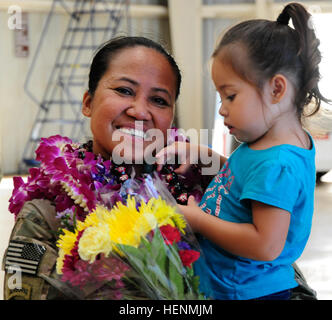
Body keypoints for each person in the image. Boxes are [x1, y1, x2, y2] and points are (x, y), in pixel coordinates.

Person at [2, 36, 205, 300]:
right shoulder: (43, 214)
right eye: (124, 91)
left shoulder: (201, 196)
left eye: (159, 100)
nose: (140, 111)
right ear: (88, 102)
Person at [156, 3, 327, 300]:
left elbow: (265, 244)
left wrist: (197, 221)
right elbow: (245, 181)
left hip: (246, 293)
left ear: (276, 89)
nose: (222, 109)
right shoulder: (265, 145)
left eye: (231, 95)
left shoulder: (278, 163)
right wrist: (203, 155)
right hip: (232, 284)